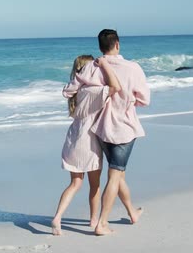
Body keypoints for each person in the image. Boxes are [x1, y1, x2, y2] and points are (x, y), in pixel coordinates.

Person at [63, 29, 150, 236]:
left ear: (100, 47)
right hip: (124, 129)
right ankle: (101, 223)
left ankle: (132, 212)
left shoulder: (92, 68)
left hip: (101, 129)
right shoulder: (133, 68)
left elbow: (69, 90)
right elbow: (144, 100)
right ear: (117, 44)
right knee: (115, 175)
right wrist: (128, 102)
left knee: (119, 174)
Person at [51, 54, 139, 235]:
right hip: (89, 142)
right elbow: (116, 87)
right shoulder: (94, 91)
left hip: (72, 140)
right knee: (95, 185)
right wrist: (105, 65)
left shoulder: (76, 93)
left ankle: (57, 217)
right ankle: (94, 220)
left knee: (75, 183)